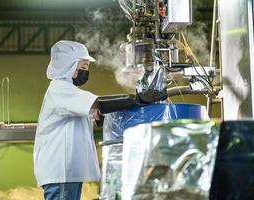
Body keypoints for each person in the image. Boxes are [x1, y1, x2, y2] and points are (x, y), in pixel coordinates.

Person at [33, 40, 167, 200]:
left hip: (66, 172)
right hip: (60, 172)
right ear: (67, 65)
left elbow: (97, 114)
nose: (86, 72)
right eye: (82, 67)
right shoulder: (59, 89)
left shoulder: (69, 93)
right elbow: (99, 104)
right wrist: (138, 99)